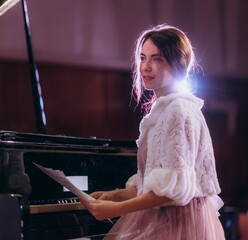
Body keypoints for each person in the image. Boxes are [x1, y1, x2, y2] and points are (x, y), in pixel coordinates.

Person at [80, 24, 226, 239]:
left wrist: (114, 209)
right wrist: (116, 195)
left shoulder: (178, 110)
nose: (145, 67)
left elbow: (171, 192)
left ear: (179, 64)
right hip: (165, 217)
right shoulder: (164, 109)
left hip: (179, 224)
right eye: (142, 58)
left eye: (157, 59)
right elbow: (157, 184)